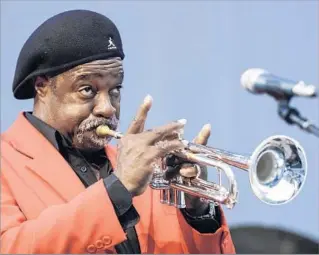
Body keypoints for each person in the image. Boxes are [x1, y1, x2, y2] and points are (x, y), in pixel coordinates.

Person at [0, 10, 235, 254]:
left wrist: (197, 212)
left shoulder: (141, 171)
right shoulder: (6, 163)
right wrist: (116, 190)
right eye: (87, 90)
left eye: (115, 90)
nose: (108, 108)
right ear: (42, 87)